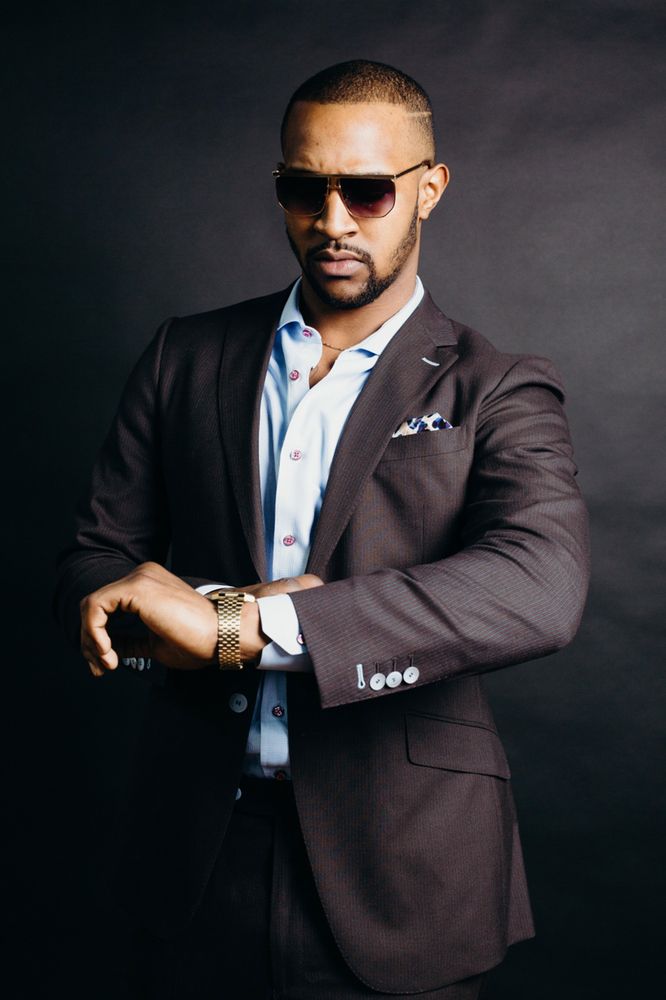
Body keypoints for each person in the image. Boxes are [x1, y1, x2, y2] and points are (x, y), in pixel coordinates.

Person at [54, 60, 590, 999]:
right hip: (189, 859)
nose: (332, 220)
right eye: (306, 189)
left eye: (368, 191)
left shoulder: (496, 387)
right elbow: (94, 561)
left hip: (405, 869)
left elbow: (537, 586)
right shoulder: (186, 355)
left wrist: (243, 626)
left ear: (430, 188)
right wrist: (170, 622)